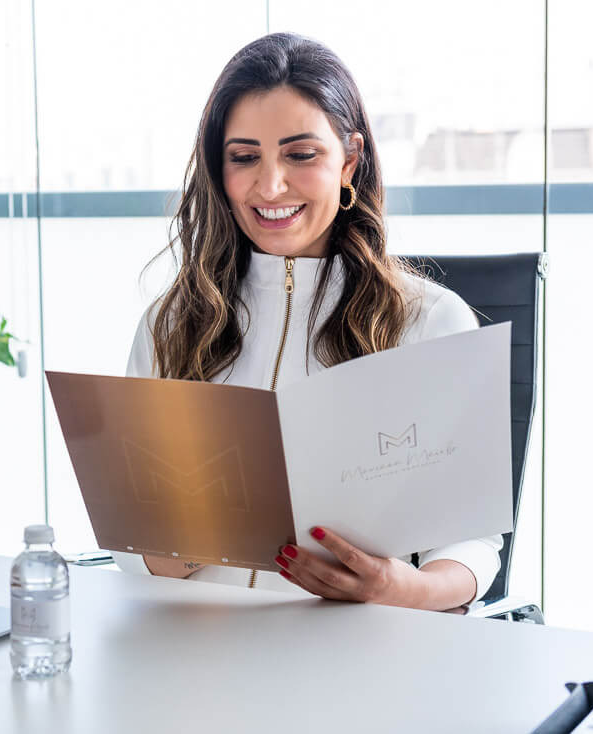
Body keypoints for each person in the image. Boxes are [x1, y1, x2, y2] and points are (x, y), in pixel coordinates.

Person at [111, 32, 503, 611]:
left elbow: (474, 546)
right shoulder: (172, 322)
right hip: (191, 651)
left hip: (353, 651)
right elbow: (132, 538)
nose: (270, 186)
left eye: (300, 154)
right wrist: (185, 542)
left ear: (349, 159)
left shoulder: (428, 319)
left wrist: (398, 588)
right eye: (244, 157)